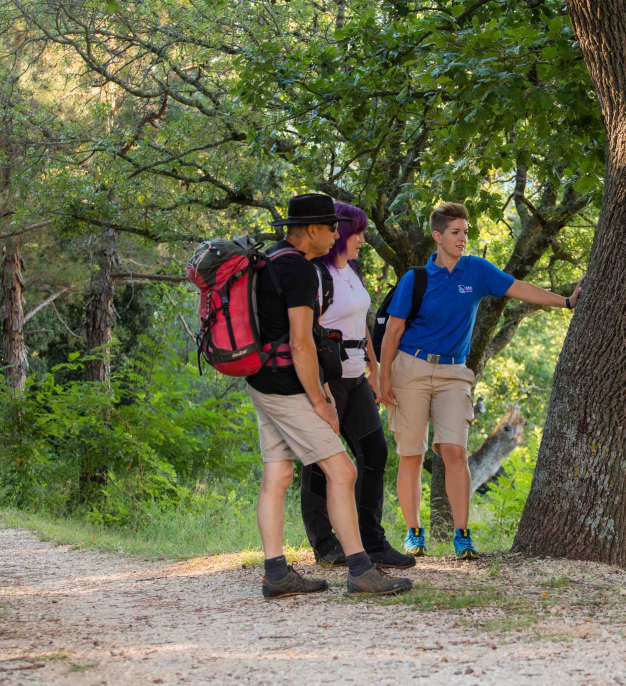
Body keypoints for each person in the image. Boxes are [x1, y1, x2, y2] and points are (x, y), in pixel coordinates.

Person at [378, 201, 582, 560]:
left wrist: (566, 302)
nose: (462, 238)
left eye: (466, 232)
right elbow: (392, 332)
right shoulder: (416, 278)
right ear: (437, 236)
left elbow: (519, 288)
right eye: (455, 232)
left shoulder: (476, 270)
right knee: (412, 453)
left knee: (454, 451)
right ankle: (413, 534)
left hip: (455, 373)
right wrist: (382, 380)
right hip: (410, 369)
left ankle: (462, 535)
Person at [247, 193, 412, 598]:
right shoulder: (301, 271)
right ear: (311, 231)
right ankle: (360, 570)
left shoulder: (268, 261)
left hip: (259, 379)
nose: (336, 234)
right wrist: (319, 400)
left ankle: (276, 574)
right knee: (343, 471)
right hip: (286, 388)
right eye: (331, 227)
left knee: (278, 474)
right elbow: (302, 343)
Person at [299, 201, 415, 569]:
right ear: (341, 234)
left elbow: (359, 320)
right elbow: (305, 332)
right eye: (358, 232)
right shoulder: (315, 274)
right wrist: (320, 388)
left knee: (375, 453)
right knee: (321, 461)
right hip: (328, 380)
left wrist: (374, 366)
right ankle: (325, 544)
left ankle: (373, 541)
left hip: (356, 377)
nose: (363, 239)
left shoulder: (350, 271)